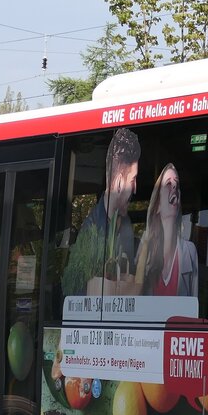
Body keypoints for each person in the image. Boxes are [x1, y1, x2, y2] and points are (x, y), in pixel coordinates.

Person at [61, 127, 141, 297]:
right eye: (133, 180)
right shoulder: (91, 230)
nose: (135, 189)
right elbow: (72, 289)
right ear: (119, 182)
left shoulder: (124, 223)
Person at [135, 163, 198, 297]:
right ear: (157, 205)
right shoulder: (144, 249)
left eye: (177, 185)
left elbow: (194, 305)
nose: (174, 187)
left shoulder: (190, 252)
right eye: (168, 184)